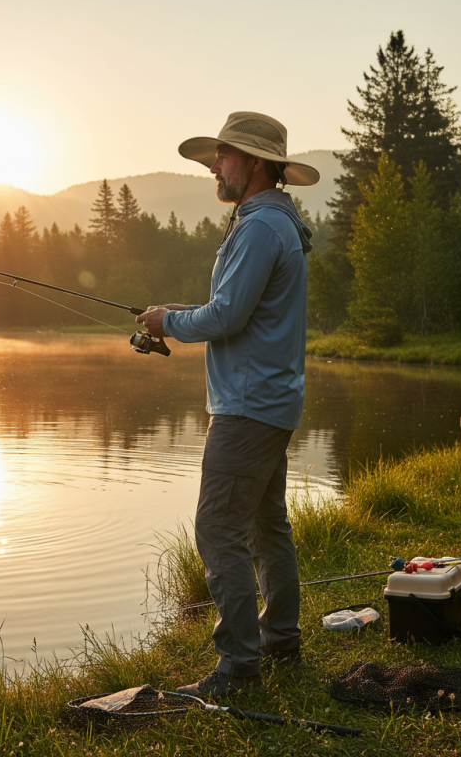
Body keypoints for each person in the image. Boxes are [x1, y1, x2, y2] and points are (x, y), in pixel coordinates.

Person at [136, 111, 319, 699]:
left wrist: (168, 320)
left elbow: (226, 316)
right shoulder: (270, 223)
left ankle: (239, 666)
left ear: (256, 164)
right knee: (267, 526)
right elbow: (236, 309)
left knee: (218, 530)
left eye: (223, 155)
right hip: (270, 401)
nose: (214, 164)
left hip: (247, 408)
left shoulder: (262, 227)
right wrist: (177, 319)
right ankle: (281, 640)